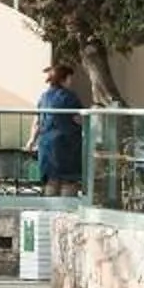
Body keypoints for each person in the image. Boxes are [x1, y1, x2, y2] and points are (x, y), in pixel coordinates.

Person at [35, 63, 86, 194]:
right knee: (69, 181)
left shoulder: (43, 97)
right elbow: (78, 119)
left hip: (46, 145)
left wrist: (31, 141)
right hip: (67, 144)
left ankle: (50, 210)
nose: (71, 81)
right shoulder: (69, 97)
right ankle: (66, 211)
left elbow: (38, 122)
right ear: (64, 79)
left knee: (51, 180)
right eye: (70, 78)